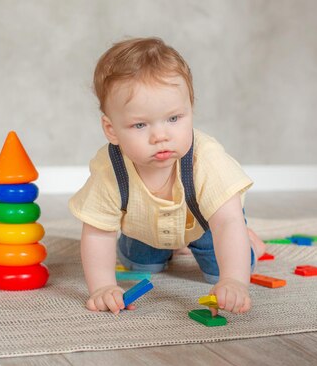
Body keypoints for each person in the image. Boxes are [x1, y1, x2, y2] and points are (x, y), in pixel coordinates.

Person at [69, 37, 266, 316]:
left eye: (174, 119)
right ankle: (171, 249)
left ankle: (250, 242)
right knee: (140, 267)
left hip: (205, 227)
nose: (160, 136)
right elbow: (99, 231)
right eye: (140, 124)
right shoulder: (109, 168)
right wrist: (101, 287)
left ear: (190, 111)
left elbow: (227, 221)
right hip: (144, 230)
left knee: (220, 273)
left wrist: (234, 280)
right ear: (111, 129)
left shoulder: (205, 159)